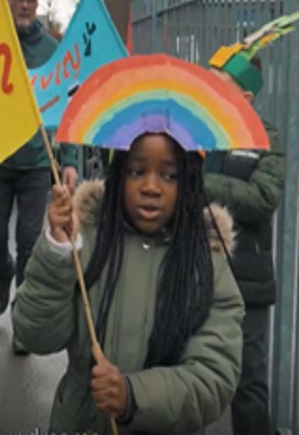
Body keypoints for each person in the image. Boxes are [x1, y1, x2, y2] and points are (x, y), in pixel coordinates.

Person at [12, 132, 244, 434]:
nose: (150, 187)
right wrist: (57, 251)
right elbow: (35, 335)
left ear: (189, 183)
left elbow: (213, 378)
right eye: (137, 171)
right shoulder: (87, 241)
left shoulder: (209, 266)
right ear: (118, 172)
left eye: (169, 175)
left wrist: (132, 397)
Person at [0, 0, 79, 353]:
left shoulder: (53, 50)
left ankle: (21, 323)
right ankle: (1, 273)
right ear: (8, 1)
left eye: (31, 0)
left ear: (37, 7)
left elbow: (68, 106)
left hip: (38, 163)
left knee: (27, 243)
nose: (25, 5)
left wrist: (68, 158)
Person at [206, 55, 286, 435]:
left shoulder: (266, 139)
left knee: (248, 383)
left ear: (247, 97)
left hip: (246, 277)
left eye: (220, 83)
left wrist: (201, 181)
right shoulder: (197, 132)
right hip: (195, 271)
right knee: (188, 376)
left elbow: (263, 198)